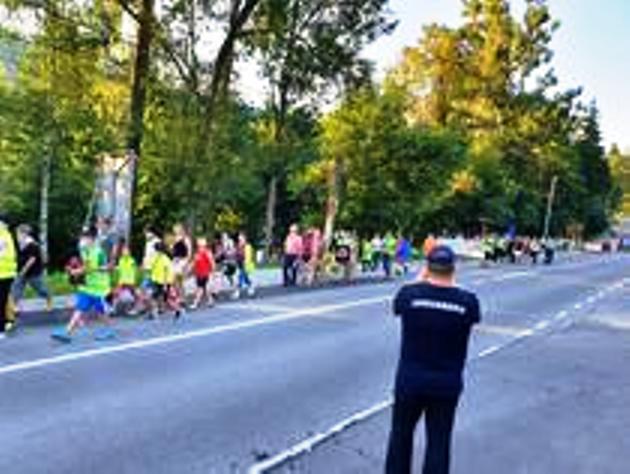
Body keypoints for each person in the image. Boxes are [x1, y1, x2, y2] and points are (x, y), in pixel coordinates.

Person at [386, 245, 481, 474]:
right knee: (439, 441)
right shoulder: (468, 301)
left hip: (410, 381)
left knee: (400, 437)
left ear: (427, 268)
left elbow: (397, 307)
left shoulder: (409, 295)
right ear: (453, 269)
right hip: (446, 384)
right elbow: (473, 318)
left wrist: (421, 280)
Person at [51, 228, 115, 343]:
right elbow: (83, 264)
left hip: (99, 288)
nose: (82, 240)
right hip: (87, 287)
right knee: (80, 308)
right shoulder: (84, 250)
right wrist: (73, 267)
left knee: (100, 312)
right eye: (82, 238)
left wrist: (74, 272)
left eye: (85, 238)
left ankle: (109, 330)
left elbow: (88, 269)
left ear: (92, 239)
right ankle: (66, 333)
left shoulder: (97, 252)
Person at [11, 224, 53, 317]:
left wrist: (24, 270)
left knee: (41, 289)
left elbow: (32, 260)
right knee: (16, 288)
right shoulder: (19, 244)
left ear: (25, 233)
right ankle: (15, 307)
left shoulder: (32, 244)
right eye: (17, 233)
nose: (17, 235)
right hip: (20, 271)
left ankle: (49, 299)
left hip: (33, 272)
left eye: (18, 233)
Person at [0, 216, 17, 339]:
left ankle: (2, 328)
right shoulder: (7, 235)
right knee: (4, 300)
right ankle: (8, 322)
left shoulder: (4, 236)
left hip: (3, 274)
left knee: (2, 301)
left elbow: (3, 254)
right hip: (7, 274)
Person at [113, 239, 138, 315]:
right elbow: (120, 271)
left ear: (129, 252)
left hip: (130, 281)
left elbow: (133, 272)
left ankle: (133, 309)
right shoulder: (121, 260)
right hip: (122, 281)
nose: (125, 252)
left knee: (135, 294)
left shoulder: (131, 261)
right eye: (123, 251)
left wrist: (132, 281)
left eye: (126, 251)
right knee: (116, 293)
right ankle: (114, 309)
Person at [191, 237, 215, 309]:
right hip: (199, 273)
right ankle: (210, 301)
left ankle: (195, 303)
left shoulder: (207, 252)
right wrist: (190, 270)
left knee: (202, 288)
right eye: (198, 245)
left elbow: (212, 262)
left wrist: (212, 272)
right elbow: (194, 263)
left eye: (201, 244)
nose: (199, 246)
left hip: (206, 273)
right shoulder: (197, 253)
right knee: (204, 289)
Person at [236, 232, 255, 297]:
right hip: (240, 264)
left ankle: (238, 292)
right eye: (239, 238)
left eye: (241, 238)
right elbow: (237, 254)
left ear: (244, 238)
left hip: (246, 265)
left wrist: (246, 263)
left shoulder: (247, 246)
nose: (239, 239)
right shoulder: (239, 246)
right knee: (245, 278)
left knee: (240, 278)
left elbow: (248, 256)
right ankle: (251, 288)